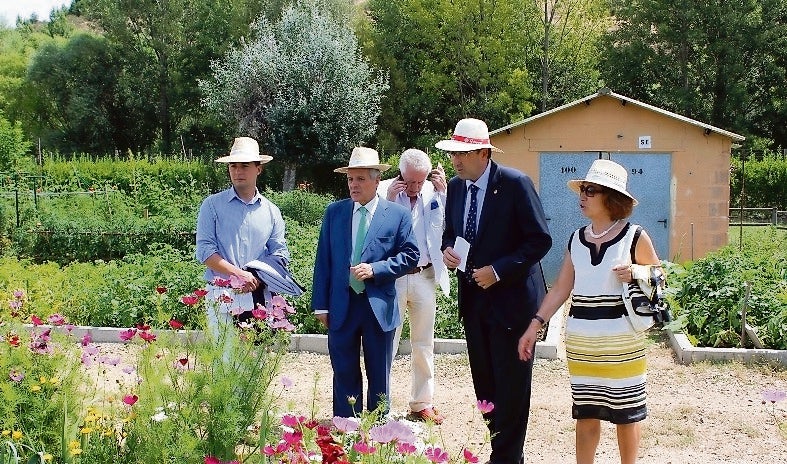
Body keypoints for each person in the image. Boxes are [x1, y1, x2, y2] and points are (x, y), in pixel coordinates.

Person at [517, 159, 660, 464]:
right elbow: (559, 289)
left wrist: (635, 271)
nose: (582, 196)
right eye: (582, 189)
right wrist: (534, 325)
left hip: (623, 346)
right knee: (585, 414)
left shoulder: (635, 236)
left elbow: (662, 280)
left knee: (626, 415)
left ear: (612, 197)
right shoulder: (576, 239)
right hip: (582, 347)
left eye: (590, 190)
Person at [438, 118, 552, 464]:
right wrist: (446, 250)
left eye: (463, 153)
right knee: (485, 388)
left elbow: (539, 240)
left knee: (512, 388)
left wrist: (499, 271)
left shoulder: (515, 184)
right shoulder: (457, 188)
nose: (455, 161)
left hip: (513, 304)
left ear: (484, 153)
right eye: (453, 153)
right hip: (474, 303)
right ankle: (504, 452)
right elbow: (450, 231)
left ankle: (505, 458)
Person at [312, 146, 420, 418]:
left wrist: (376, 269)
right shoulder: (334, 213)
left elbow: (410, 256)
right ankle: (346, 424)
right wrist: (321, 305)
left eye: (360, 179)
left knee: (379, 370)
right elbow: (323, 259)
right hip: (341, 304)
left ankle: (379, 426)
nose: (354, 184)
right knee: (343, 367)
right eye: (350, 179)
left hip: (378, 305)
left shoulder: (397, 215)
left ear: (376, 181)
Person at [377, 148, 450, 424]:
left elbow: (445, 227)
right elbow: (377, 232)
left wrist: (443, 194)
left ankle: (422, 402)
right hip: (393, 276)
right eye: (410, 182)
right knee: (387, 341)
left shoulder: (434, 190)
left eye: (420, 182)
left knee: (423, 342)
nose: (415, 187)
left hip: (425, 274)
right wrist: (390, 200)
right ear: (400, 174)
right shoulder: (385, 191)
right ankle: (380, 402)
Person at [195, 136, 290, 335]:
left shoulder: (271, 211)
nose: (238, 172)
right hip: (223, 294)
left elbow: (280, 254)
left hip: (260, 295)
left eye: (244, 166)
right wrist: (238, 275)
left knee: (257, 361)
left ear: (259, 168)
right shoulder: (212, 206)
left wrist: (256, 276)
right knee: (225, 361)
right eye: (233, 166)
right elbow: (205, 251)